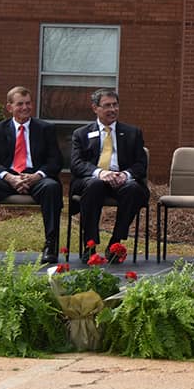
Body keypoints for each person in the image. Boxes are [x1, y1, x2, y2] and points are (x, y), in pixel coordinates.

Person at [0, 86, 63, 264]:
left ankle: (50, 245)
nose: (25, 107)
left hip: (36, 177)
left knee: (52, 187)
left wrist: (37, 175)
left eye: (28, 103)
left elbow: (56, 161)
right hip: (8, 177)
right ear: (9, 107)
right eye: (20, 104)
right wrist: (10, 177)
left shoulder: (45, 128)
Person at [70, 88, 149, 263]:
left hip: (121, 182)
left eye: (115, 105)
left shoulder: (132, 133)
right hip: (93, 180)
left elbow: (141, 164)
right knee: (94, 185)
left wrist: (125, 175)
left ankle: (115, 243)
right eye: (107, 106)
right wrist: (100, 173)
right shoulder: (81, 134)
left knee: (133, 189)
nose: (112, 109)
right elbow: (76, 164)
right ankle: (90, 245)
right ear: (95, 108)